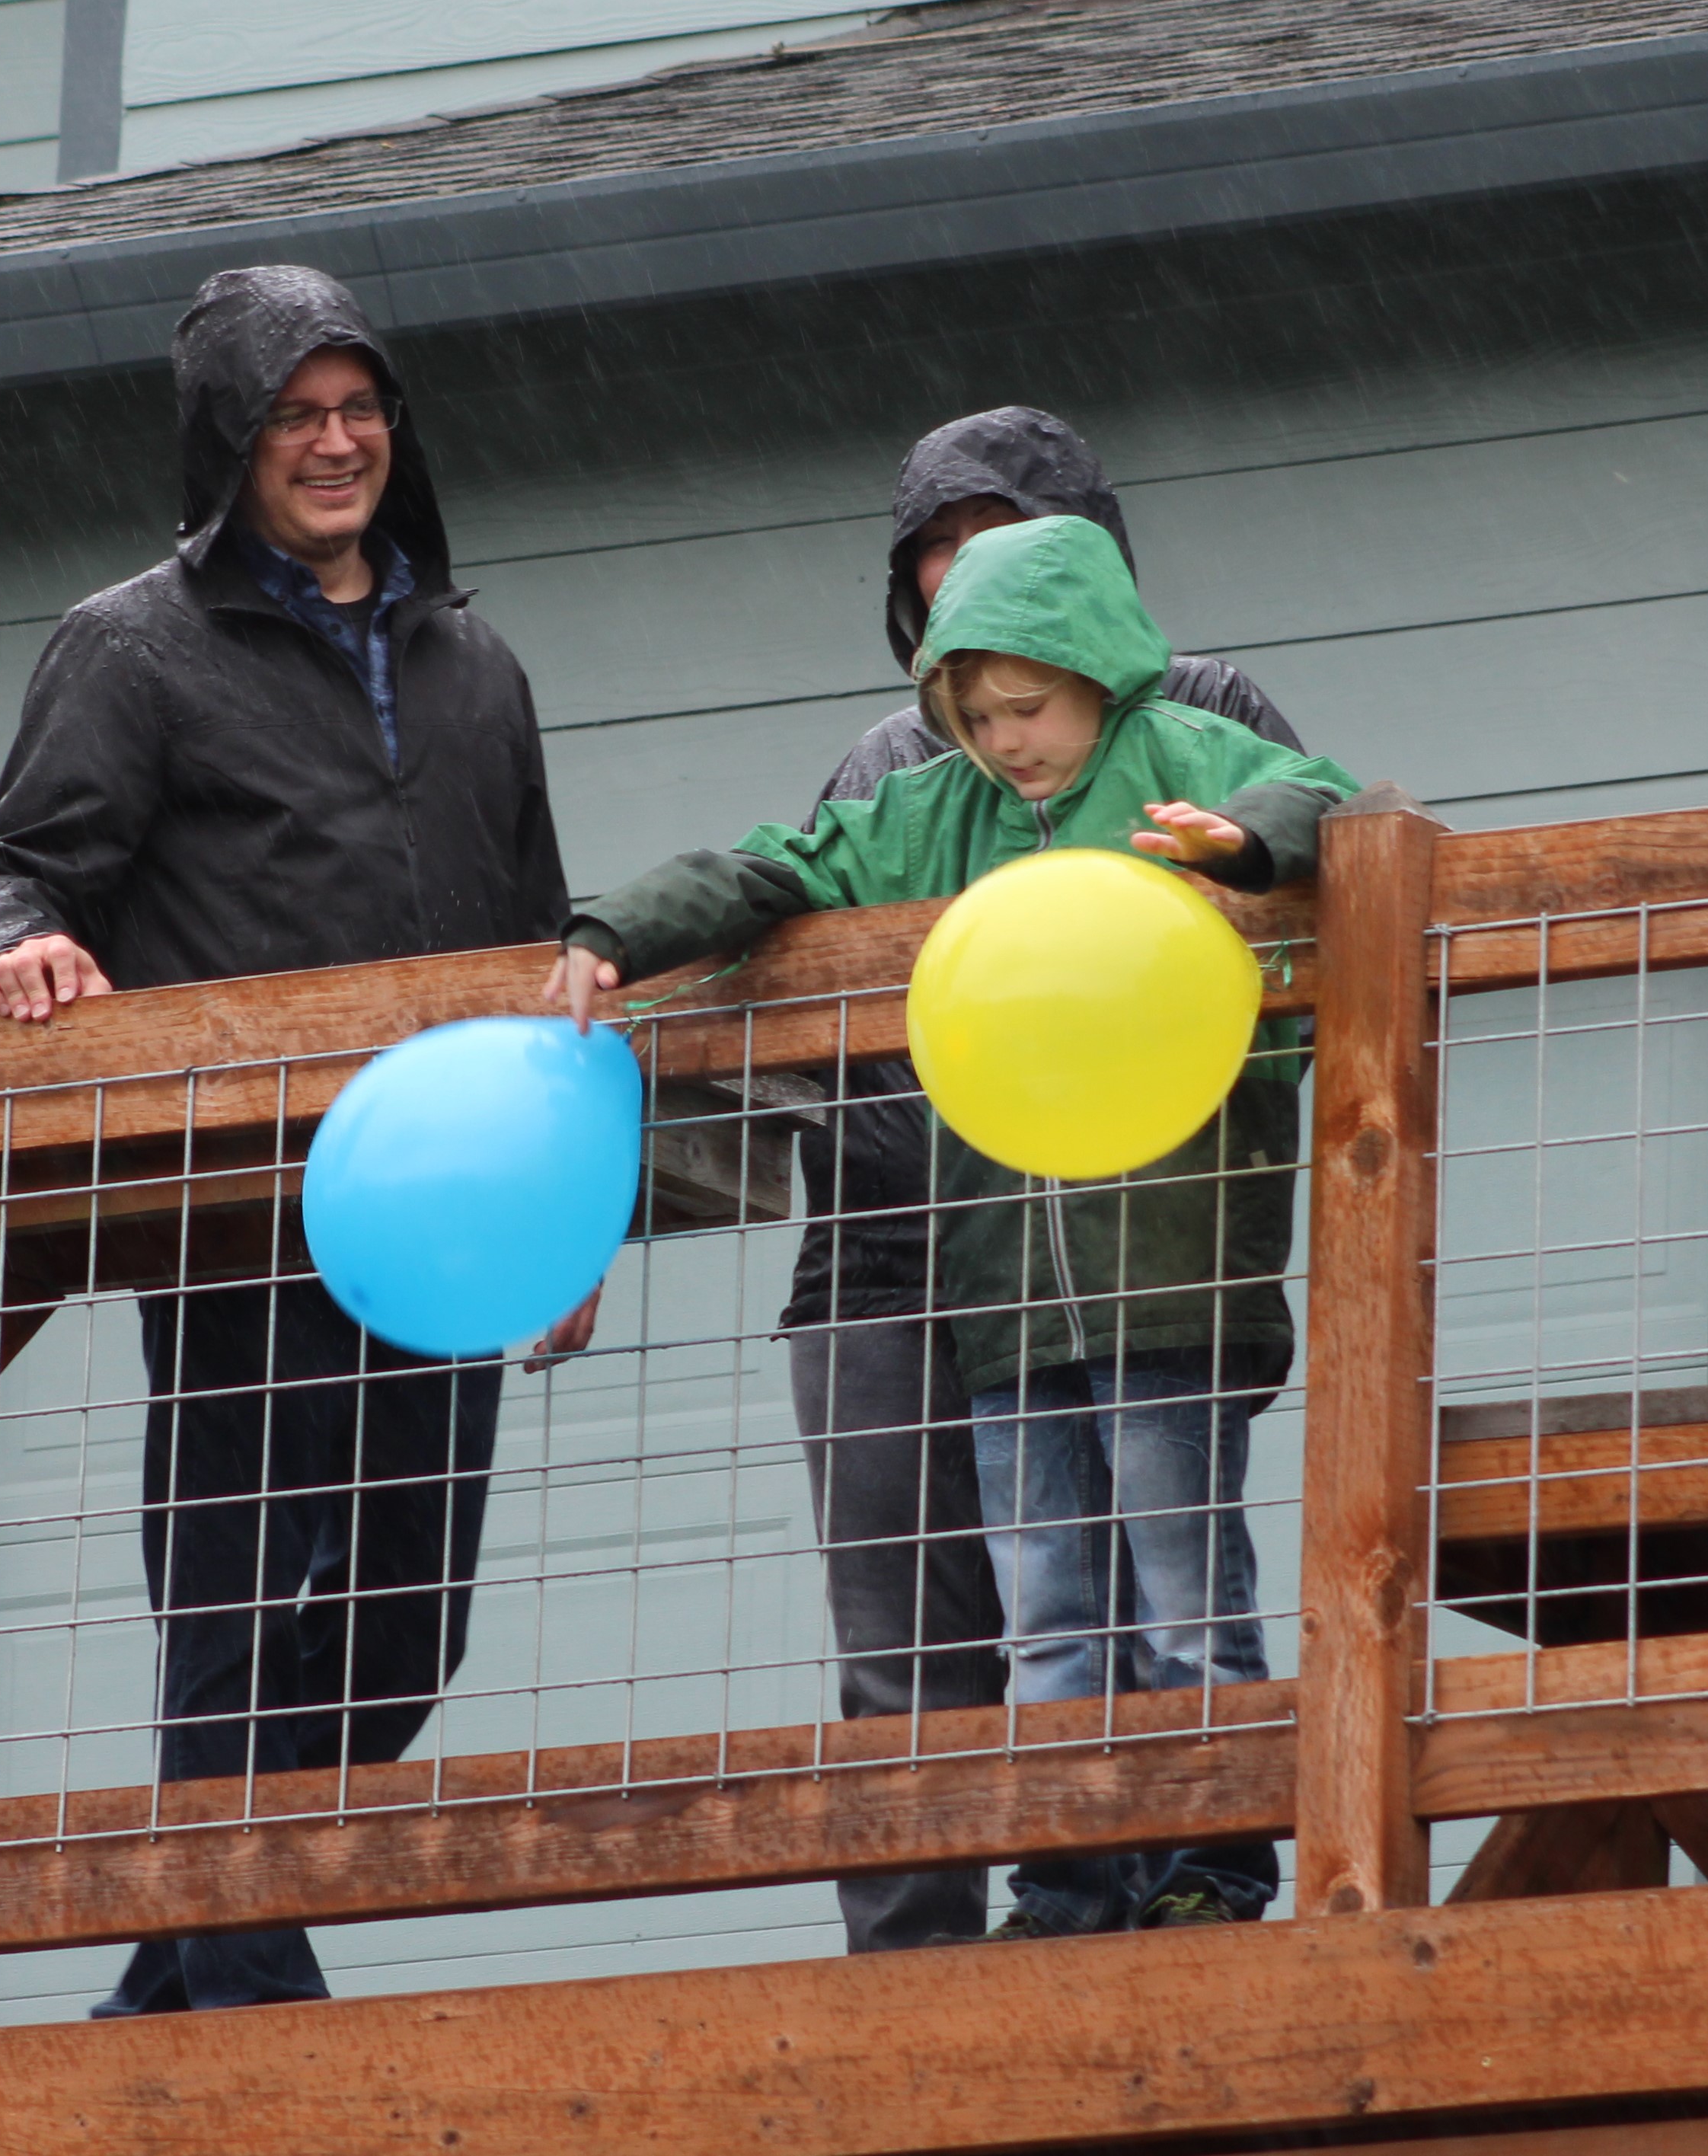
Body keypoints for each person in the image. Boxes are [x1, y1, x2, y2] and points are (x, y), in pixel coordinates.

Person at [549, 513, 1358, 1937]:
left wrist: (1241, 846)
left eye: (1029, 707)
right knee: (1049, 1611)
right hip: (1000, 1296)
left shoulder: (1189, 754)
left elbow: (1335, 800)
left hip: (1171, 1272)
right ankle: (1068, 1876)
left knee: (1182, 1595)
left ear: (1098, 673)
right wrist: (615, 927)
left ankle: (1212, 1868)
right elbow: (780, 865)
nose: (1008, 742)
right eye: (972, 717)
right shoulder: (932, 814)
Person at [0, 265, 586, 2013]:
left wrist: (573, 1214)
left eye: (359, 408)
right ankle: (242, 2011)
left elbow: (544, 953)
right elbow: (11, 876)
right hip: (243, 1225)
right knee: (227, 1632)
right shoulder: (130, 645)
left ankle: (172, 1981)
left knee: (403, 1637)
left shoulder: (476, 663)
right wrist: (18, 949)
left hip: (450, 1226)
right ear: (231, 441)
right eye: (296, 414)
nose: (336, 442)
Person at [783, 407, 1309, 1951]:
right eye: (939, 558)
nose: (971, 581)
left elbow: (1306, 839)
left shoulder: (1193, 719)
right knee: (949, 1631)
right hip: (923, 1255)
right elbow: (795, 912)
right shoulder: (901, 773)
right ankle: (975, 1939)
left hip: (1146, 1236)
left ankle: (1184, 1872)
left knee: (1165, 1576)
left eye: (1004, 544)